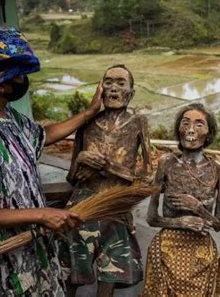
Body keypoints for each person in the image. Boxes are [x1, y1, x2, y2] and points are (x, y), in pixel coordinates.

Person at [0, 25, 103, 296]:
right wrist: (42, 214)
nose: (22, 82)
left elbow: (43, 134)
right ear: (0, 82)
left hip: (31, 254)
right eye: (19, 76)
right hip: (3, 269)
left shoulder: (10, 118)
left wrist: (89, 113)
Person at [62, 65, 151, 297]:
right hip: (82, 204)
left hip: (114, 205)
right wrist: (82, 158)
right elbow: (72, 177)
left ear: (131, 92)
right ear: (100, 89)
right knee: (71, 269)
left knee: (110, 272)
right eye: (108, 82)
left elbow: (147, 177)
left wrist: (106, 167)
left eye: (121, 83)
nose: (113, 88)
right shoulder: (87, 123)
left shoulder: (138, 123)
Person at [143, 103, 220, 296]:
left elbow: (219, 224)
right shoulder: (166, 163)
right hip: (167, 249)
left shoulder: (218, 168)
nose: (190, 130)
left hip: (201, 252)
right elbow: (151, 218)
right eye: (185, 123)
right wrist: (180, 222)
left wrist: (198, 208)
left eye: (199, 124)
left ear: (209, 132)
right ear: (178, 129)